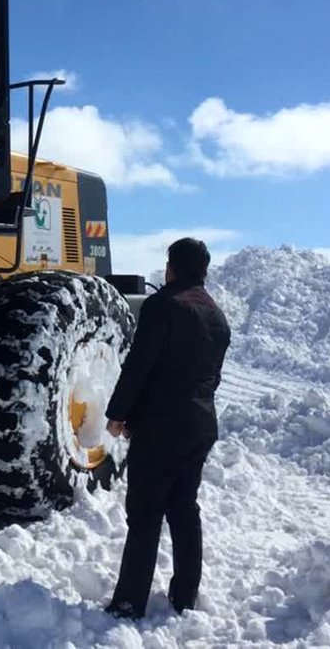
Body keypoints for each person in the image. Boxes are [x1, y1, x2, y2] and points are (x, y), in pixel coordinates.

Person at [104, 237, 231, 620]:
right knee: (184, 509)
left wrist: (120, 413)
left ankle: (129, 603)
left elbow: (140, 365)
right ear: (203, 270)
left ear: (170, 267)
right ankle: (184, 597)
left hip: (160, 429)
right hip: (200, 425)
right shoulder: (216, 315)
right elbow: (213, 378)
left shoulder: (163, 305)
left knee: (145, 514)